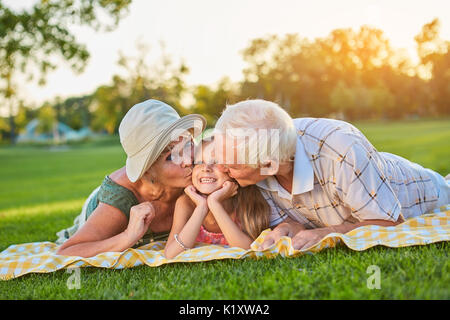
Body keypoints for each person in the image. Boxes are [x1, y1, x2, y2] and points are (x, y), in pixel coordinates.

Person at [213, 99, 450, 251]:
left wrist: (326, 233)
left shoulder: (341, 148)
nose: (221, 168)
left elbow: (389, 223)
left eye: (231, 165)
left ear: (269, 165)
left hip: (422, 188)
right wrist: (288, 227)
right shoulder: (260, 156)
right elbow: (296, 217)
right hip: (368, 172)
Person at [55, 99, 206, 257]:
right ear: (146, 170)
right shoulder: (121, 199)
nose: (189, 160)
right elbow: (66, 252)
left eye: (188, 144)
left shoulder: (201, 167)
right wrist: (128, 235)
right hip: (97, 202)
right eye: (171, 157)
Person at [164, 135, 275, 259]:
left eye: (216, 162)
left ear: (232, 169)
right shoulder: (186, 203)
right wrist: (201, 207)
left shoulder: (246, 199)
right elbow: (170, 254)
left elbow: (246, 251)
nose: (206, 168)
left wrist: (214, 204)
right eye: (199, 162)